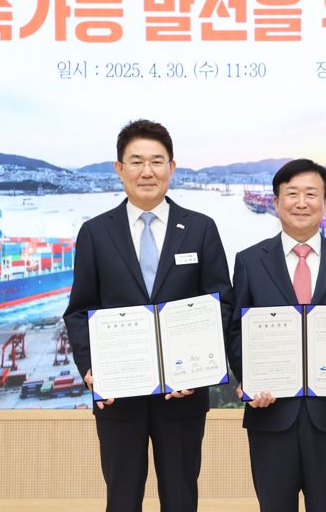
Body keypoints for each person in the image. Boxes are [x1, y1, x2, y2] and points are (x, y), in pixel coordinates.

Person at [63, 119, 233, 512]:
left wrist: (197, 370)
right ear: (119, 168)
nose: (147, 171)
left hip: (183, 396)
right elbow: (80, 310)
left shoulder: (201, 229)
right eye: (136, 161)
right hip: (119, 394)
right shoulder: (95, 233)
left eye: (157, 161)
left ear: (171, 167)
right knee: (122, 498)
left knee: (181, 497)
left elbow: (221, 303)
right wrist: (90, 370)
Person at [227, 158, 326, 512]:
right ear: (276, 202)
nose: (301, 203)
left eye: (311, 194)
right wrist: (248, 379)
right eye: (292, 194)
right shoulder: (250, 261)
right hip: (270, 412)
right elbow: (236, 328)